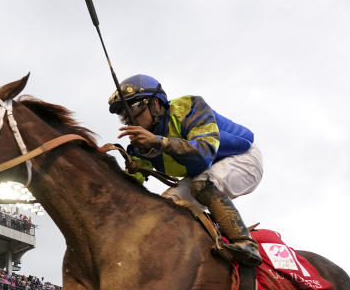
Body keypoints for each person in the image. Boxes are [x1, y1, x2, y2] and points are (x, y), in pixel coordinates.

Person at [109, 74, 263, 266]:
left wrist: (158, 142)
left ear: (156, 103)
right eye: (123, 115)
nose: (129, 120)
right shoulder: (140, 147)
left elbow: (204, 151)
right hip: (203, 173)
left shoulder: (190, 107)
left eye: (132, 109)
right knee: (162, 209)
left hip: (244, 158)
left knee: (202, 185)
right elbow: (131, 188)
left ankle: (246, 243)